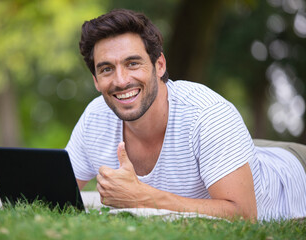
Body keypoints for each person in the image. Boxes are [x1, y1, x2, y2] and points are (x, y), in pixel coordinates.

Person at [66, 9, 306, 221]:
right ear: (96, 80)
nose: (121, 80)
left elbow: (243, 214)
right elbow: (54, 194)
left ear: (159, 65)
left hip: (293, 169)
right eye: (107, 69)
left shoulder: (208, 115)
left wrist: (143, 197)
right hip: (237, 153)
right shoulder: (95, 118)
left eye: (132, 63)